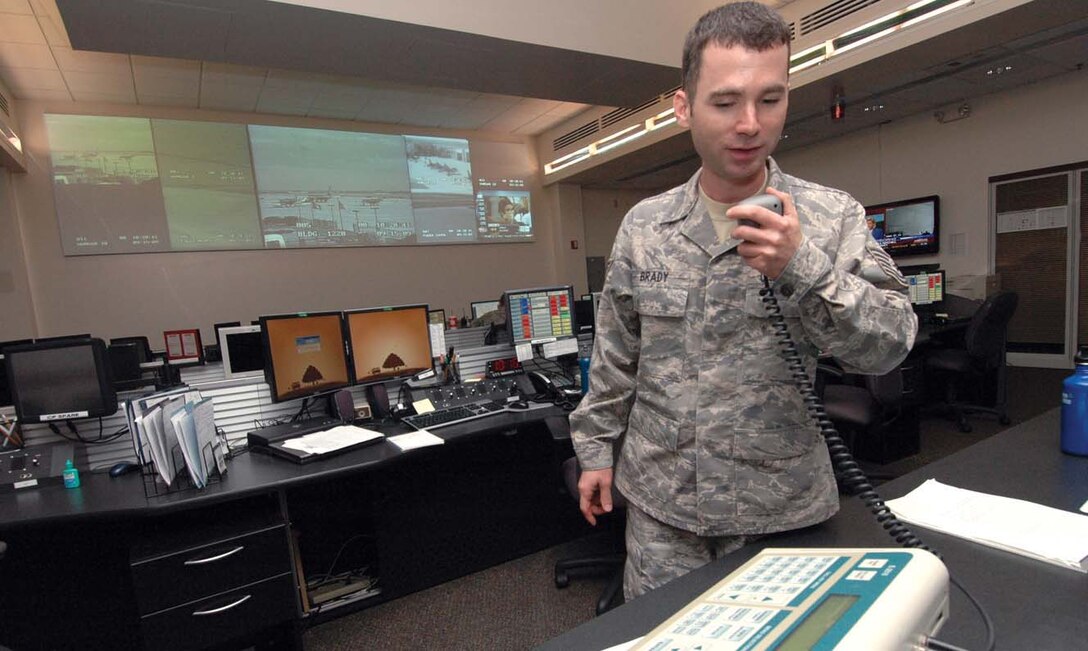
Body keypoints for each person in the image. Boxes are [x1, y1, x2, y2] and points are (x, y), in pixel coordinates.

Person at [568, 1, 917, 602]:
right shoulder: (644, 227)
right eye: (726, 102)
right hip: (663, 514)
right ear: (685, 108)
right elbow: (616, 357)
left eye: (770, 99)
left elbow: (889, 347)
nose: (750, 123)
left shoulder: (832, 218)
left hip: (779, 509)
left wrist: (802, 266)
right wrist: (596, 450)